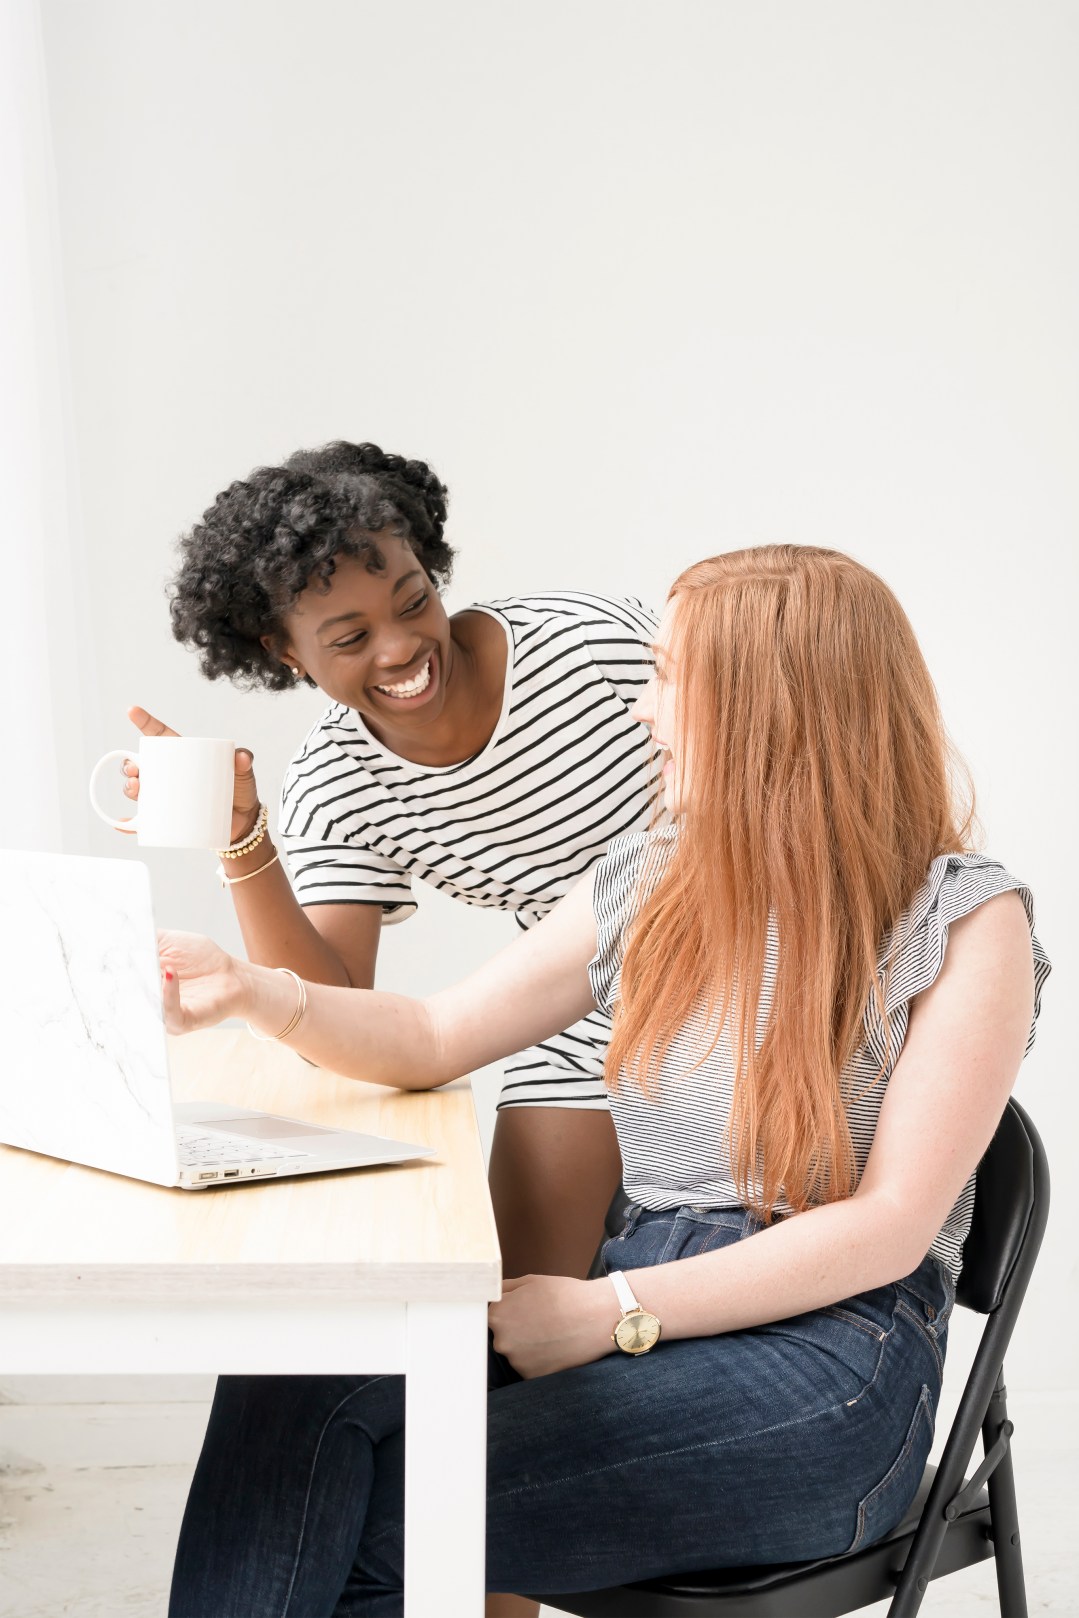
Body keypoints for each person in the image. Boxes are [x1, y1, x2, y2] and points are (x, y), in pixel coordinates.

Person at [159, 544, 1049, 1616]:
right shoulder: (658, 874)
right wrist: (253, 991)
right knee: (297, 1371)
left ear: (770, 704)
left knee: (371, 1516)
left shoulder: (965, 917)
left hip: (827, 1366)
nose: (641, 709)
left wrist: (610, 1308)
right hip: (647, 1294)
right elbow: (435, 1032)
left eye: (668, 677)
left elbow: (886, 1229)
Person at [126, 440, 659, 1281]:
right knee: (506, 1312)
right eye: (349, 637)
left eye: (415, 602)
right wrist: (245, 839)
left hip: (759, 973)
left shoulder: (593, 648)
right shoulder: (338, 781)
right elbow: (330, 1018)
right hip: (583, 1012)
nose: (402, 647)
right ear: (285, 652)